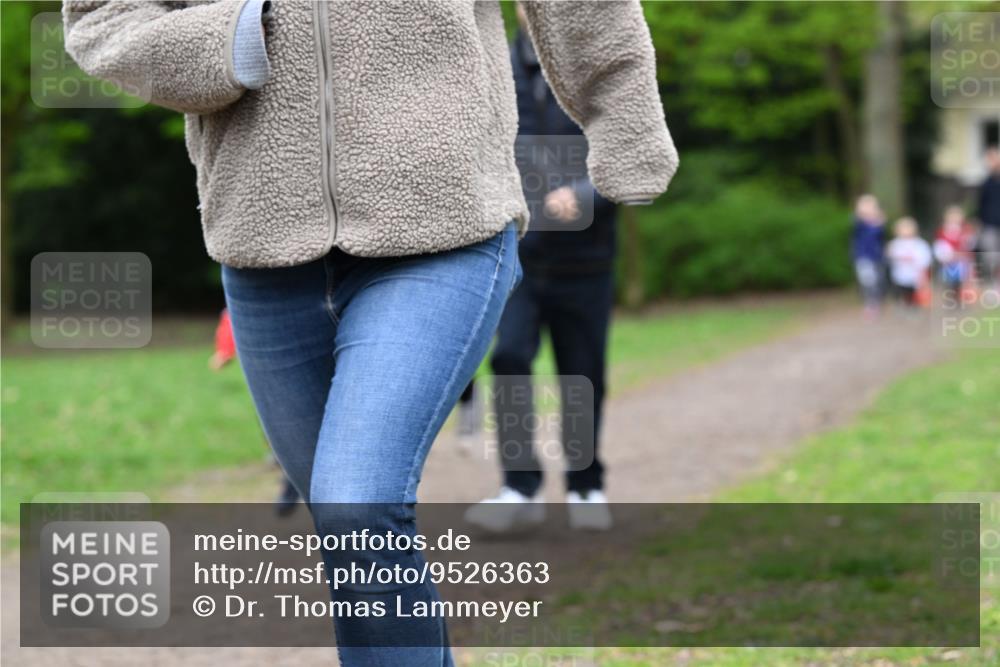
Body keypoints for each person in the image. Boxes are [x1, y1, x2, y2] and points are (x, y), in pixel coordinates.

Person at [63, 1, 678, 663]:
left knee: (357, 503)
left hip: (445, 228)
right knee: (351, 532)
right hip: (264, 248)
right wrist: (235, 33)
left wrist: (624, 116)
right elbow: (104, 19)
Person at [465, 6, 619, 533]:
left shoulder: (597, 71)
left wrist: (585, 195)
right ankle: (520, 485)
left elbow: (630, 156)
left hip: (587, 262)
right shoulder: (490, 67)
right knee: (508, 359)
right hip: (517, 261)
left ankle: (585, 485)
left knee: (582, 373)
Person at [208, 309, 302, 516]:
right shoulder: (259, 283)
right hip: (270, 373)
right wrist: (224, 350)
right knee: (277, 428)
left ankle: (294, 481)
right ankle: (291, 477)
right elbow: (233, 314)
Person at [851, 194, 887, 318]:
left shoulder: (879, 223)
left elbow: (881, 238)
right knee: (867, 281)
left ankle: (876, 302)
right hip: (863, 257)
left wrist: (878, 223)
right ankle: (870, 304)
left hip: (877, 257)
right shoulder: (858, 223)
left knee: (877, 281)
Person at [933, 206, 975, 308]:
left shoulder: (966, 230)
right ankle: (950, 300)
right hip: (949, 262)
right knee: (950, 282)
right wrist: (947, 255)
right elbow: (940, 246)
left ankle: (960, 300)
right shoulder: (942, 232)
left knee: (961, 282)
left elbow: (970, 244)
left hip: (962, 261)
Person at [886, 217, 932, 309]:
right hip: (901, 273)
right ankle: (905, 303)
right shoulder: (895, 244)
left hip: (915, 273)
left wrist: (921, 267)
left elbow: (925, 257)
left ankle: (914, 304)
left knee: (914, 290)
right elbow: (890, 255)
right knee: (903, 289)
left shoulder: (919, 244)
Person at [977, 147, 1000, 284]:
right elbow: (981, 204)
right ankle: (995, 284)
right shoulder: (986, 183)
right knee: (990, 256)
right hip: (989, 225)